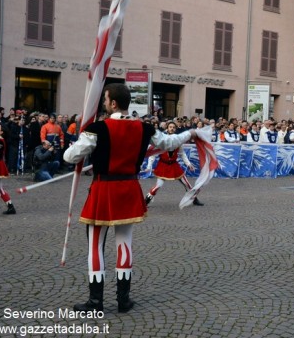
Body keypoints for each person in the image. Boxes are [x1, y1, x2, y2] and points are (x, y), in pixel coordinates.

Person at [63, 83, 198, 313]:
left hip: (104, 189)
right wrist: (192, 133)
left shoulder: (98, 128)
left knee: (95, 247)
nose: (104, 103)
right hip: (129, 188)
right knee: (125, 244)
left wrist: (78, 144)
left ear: (113, 103)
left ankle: (95, 302)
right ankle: (123, 300)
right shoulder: (145, 128)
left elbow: (70, 156)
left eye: (105, 99)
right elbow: (169, 142)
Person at [145, 122, 203, 206]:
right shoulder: (161, 140)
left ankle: (194, 199)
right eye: (170, 127)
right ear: (167, 128)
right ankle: (146, 201)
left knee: (187, 184)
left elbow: (182, 153)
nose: (172, 128)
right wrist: (149, 166)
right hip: (163, 166)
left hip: (174, 165)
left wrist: (188, 164)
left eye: (173, 127)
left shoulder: (178, 140)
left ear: (175, 129)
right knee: (158, 186)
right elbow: (153, 155)